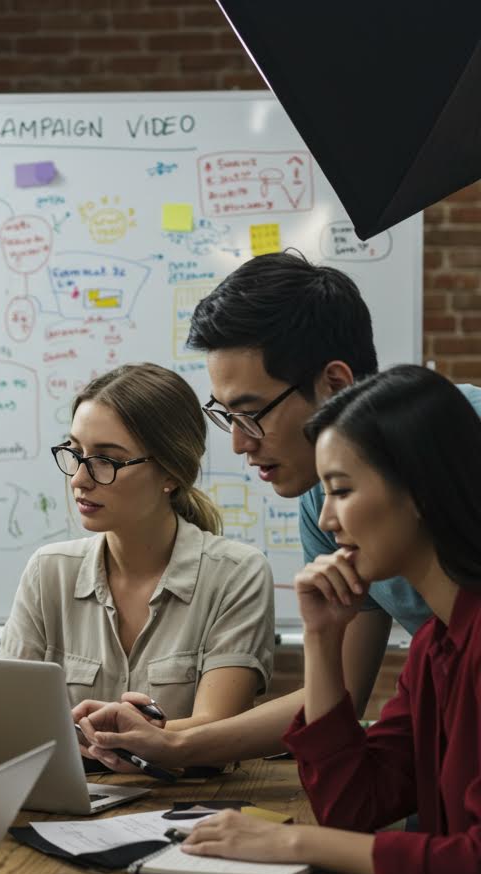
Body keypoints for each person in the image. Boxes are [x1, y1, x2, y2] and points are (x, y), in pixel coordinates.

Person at [74, 253, 481, 769]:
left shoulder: (463, 440)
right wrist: (165, 739)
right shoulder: (320, 499)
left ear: (334, 384)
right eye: (227, 416)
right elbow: (338, 693)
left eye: (252, 413)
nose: (241, 444)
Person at [170, 367, 481, 874]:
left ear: (419, 490)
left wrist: (289, 841)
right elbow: (354, 803)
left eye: (340, 490)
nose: (328, 518)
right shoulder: (436, 645)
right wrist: (320, 636)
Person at [0, 362, 274, 728]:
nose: (79, 479)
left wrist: (108, 735)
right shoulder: (48, 571)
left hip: (192, 788)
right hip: (69, 785)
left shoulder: (236, 575)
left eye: (107, 460)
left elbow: (216, 727)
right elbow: (5, 714)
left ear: (171, 473)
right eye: (75, 452)